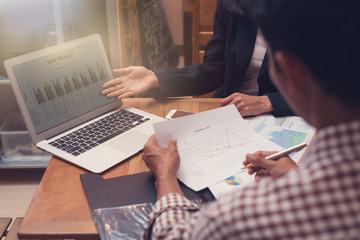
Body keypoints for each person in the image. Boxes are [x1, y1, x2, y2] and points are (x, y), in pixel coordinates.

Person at [140, 0, 360, 239]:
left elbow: (174, 236)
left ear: (291, 71)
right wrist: (296, 174)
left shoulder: (237, 217)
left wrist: (164, 176)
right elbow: (214, 69)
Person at [102, 0, 293, 117]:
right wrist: (156, 77)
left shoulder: (314, 11)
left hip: (288, 116)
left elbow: (321, 89)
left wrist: (268, 102)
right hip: (231, 113)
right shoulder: (232, 3)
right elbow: (214, 70)